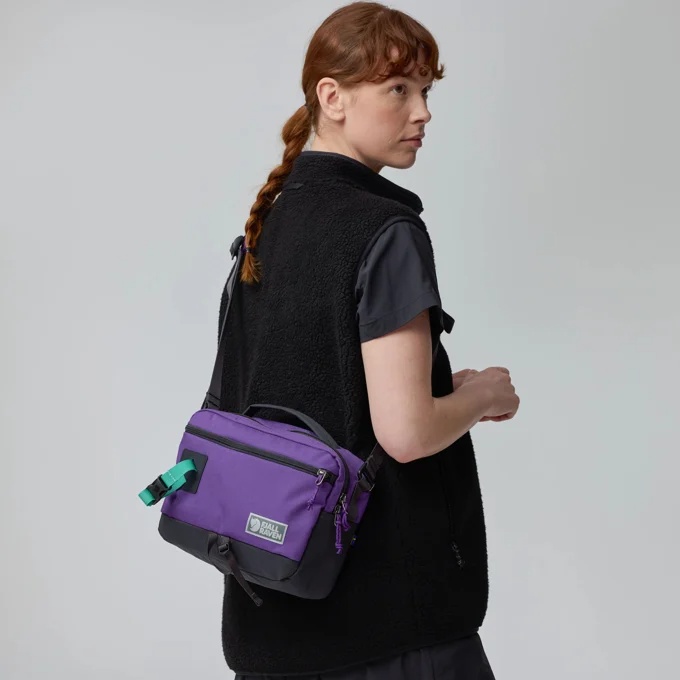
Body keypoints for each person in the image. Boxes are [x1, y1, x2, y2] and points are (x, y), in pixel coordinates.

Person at [216, 2, 520, 678]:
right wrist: (483, 397)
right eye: (399, 89)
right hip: (386, 627)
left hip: (269, 610)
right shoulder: (385, 230)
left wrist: (441, 389)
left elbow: (300, 394)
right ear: (333, 97)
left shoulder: (271, 219)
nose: (423, 112)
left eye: (426, 91)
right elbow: (405, 433)